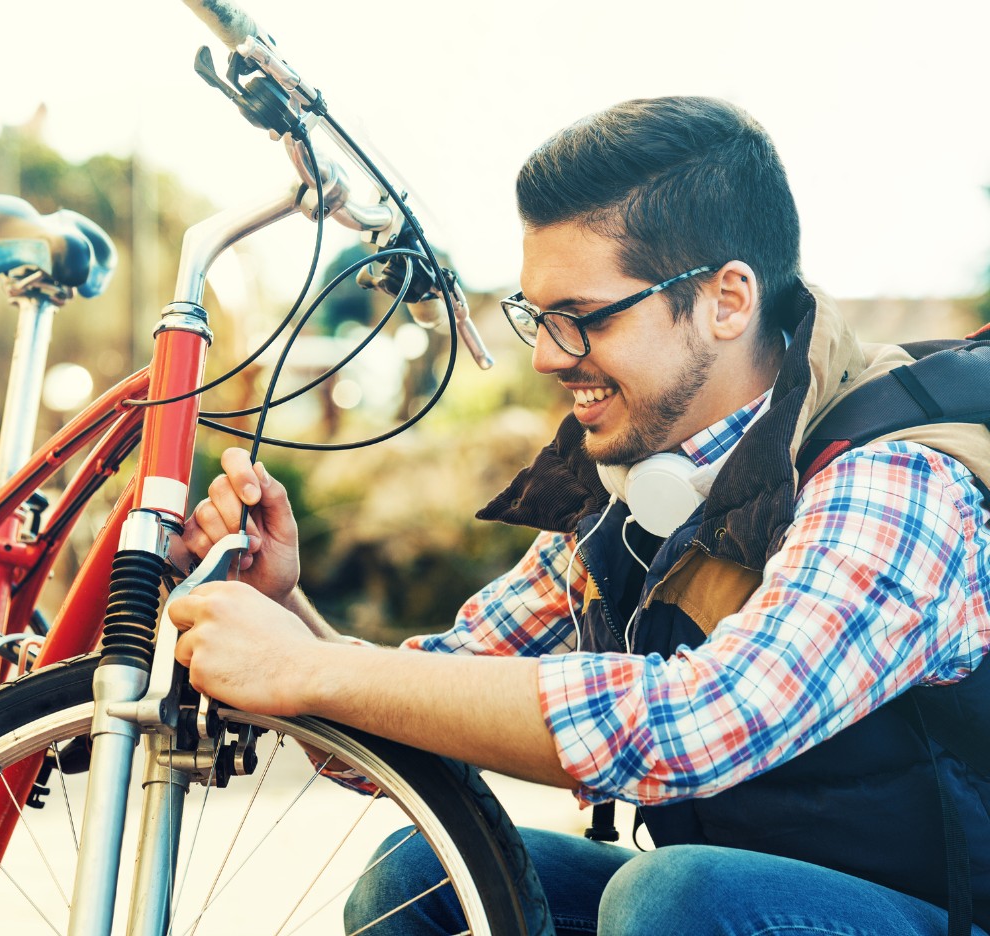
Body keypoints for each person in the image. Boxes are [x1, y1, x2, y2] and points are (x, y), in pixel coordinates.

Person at [167, 96, 990, 936]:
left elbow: (702, 722)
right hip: (724, 900)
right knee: (419, 879)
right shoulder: (642, 486)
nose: (546, 355)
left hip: (929, 914)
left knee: (672, 900)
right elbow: (416, 720)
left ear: (727, 300)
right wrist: (285, 619)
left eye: (582, 318)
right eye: (537, 315)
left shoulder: (894, 478)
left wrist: (312, 670)